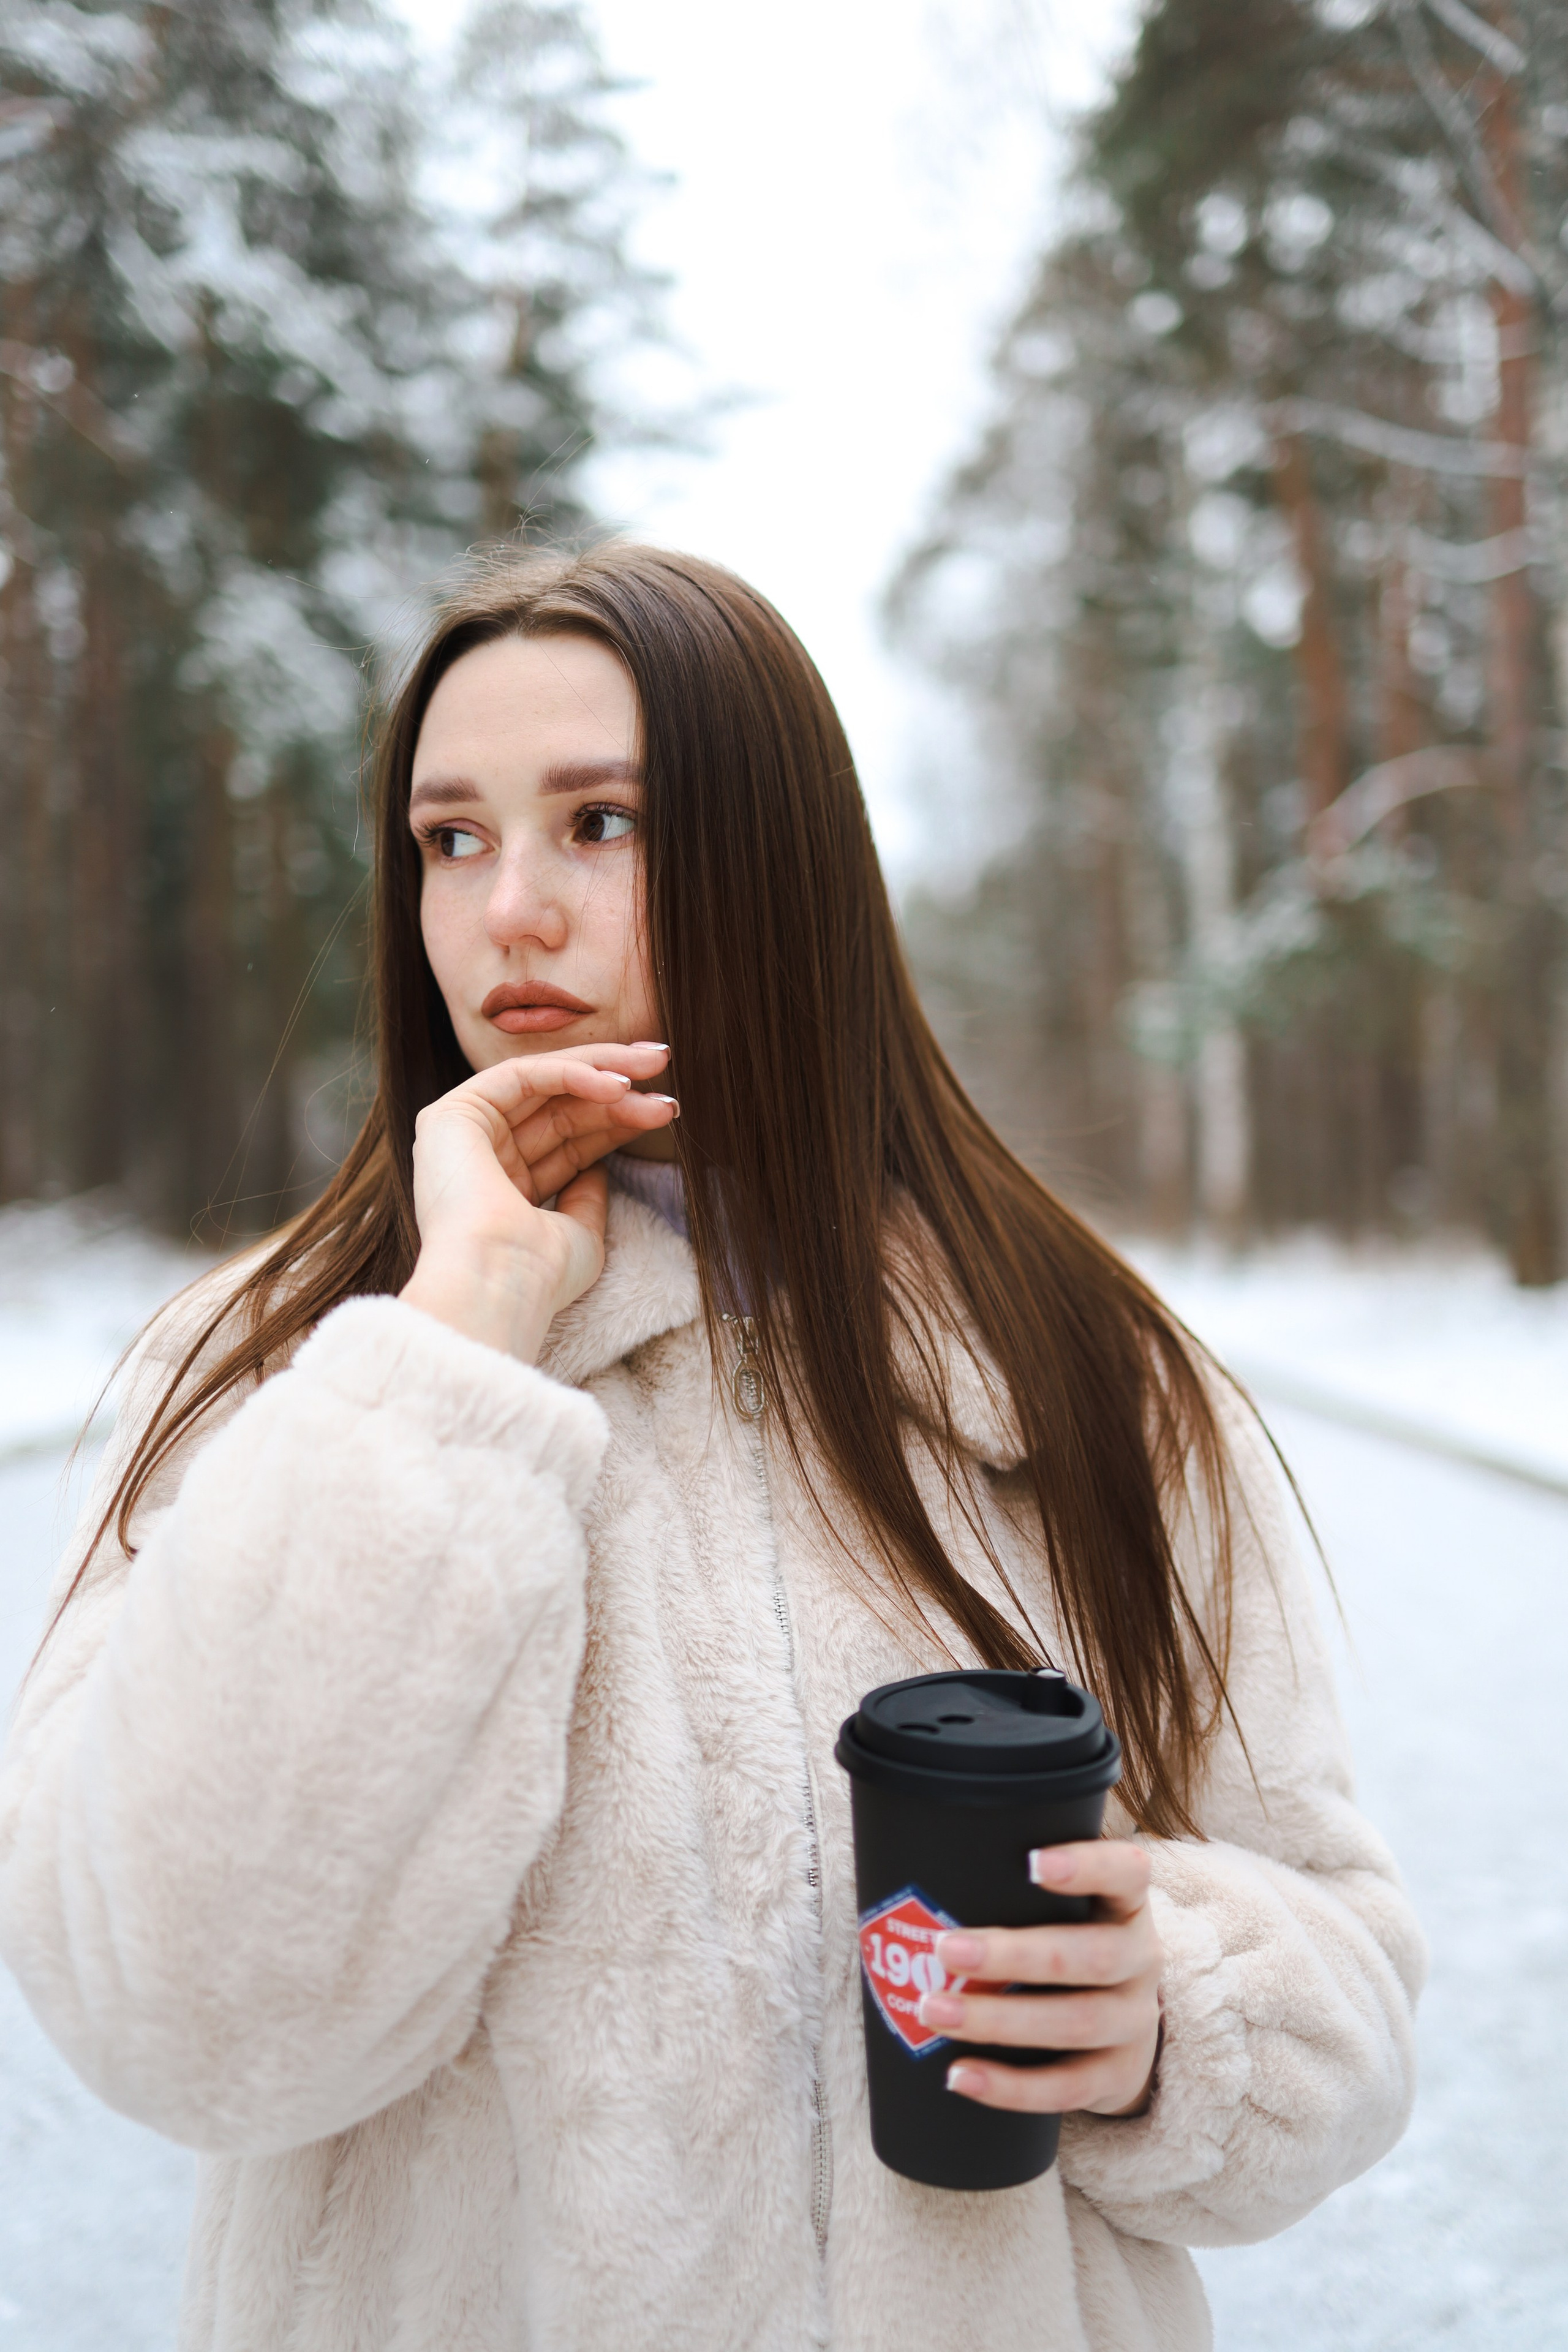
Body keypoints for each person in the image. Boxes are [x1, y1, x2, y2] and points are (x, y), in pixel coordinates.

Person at [0, 542, 1423, 2351]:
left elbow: (1342, 1963)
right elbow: (182, 2014)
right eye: (451, 839)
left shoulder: (1082, 1366)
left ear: (785, 860)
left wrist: (1175, 2015)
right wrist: (455, 1355)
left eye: (600, 823)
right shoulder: (276, 1371)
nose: (509, 910)